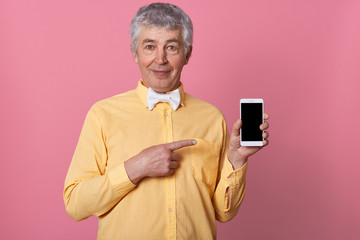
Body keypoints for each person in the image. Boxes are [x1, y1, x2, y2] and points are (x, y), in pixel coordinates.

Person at [63, 3, 269, 240]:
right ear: (134, 52)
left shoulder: (212, 118)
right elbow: (75, 204)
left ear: (187, 54)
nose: (160, 59)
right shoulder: (102, 115)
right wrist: (135, 168)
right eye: (149, 46)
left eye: (171, 47)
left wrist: (237, 159)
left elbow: (224, 212)